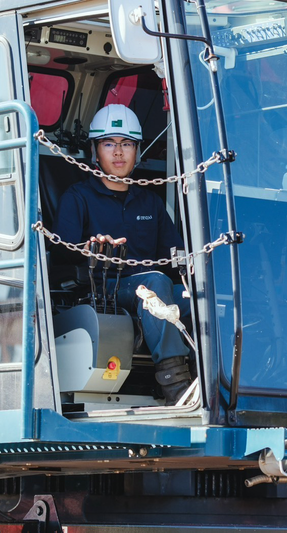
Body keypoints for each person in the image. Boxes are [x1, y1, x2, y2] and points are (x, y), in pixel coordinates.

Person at [53, 104, 192, 406]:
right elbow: (61, 252)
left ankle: (210, 382)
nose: (118, 152)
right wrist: (90, 248)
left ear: (137, 150)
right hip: (104, 288)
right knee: (154, 284)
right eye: (109, 144)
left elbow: (174, 258)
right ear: (95, 151)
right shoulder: (78, 197)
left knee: (198, 298)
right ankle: (176, 386)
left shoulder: (151, 202)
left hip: (152, 288)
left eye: (127, 144)